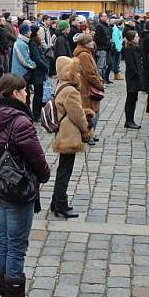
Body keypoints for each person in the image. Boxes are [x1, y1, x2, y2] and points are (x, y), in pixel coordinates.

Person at [0, 74, 51, 297]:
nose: (27, 93)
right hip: (16, 189)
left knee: (5, 241)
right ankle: (13, 292)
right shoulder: (20, 121)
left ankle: (4, 289)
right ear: (14, 93)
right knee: (17, 246)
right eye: (24, 90)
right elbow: (36, 158)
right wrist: (45, 175)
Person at [51, 56, 93, 219]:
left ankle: (56, 202)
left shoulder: (61, 85)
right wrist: (86, 129)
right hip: (69, 134)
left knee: (63, 169)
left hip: (63, 132)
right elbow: (78, 115)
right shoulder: (71, 91)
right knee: (65, 171)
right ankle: (61, 205)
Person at [73, 33, 103, 143]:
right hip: (87, 88)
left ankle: (91, 133)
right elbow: (90, 73)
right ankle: (88, 134)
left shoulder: (86, 52)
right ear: (85, 43)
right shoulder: (84, 55)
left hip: (86, 86)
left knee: (91, 111)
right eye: (90, 41)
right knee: (91, 112)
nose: (93, 43)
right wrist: (99, 84)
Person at [121, 30, 144, 130]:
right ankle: (129, 120)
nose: (138, 38)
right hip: (132, 78)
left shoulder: (134, 48)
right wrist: (138, 75)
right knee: (131, 99)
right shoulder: (129, 49)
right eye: (136, 37)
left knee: (133, 98)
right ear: (132, 38)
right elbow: (131, 65)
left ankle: (130, 120)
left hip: (135, 76)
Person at [27, 26, 50, 122]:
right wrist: (45, 66)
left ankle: (39, 112)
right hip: (37, 72)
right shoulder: (32, 43)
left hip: (39, 71)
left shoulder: (35, 42)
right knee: (38, 94)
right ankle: (36, 114)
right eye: (38, 32)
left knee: (39, 93)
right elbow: (37, 58)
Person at [94, 13, 112, 83]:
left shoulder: (105, 25)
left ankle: (104, 80)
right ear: (100, 17)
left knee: (105, 66)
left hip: (106, 48)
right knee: (100, 66)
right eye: (104, 16)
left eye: (106, 16)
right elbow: (99, 38)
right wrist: (107, 42)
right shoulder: (99, 26)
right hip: (101, 48)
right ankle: (99, 81)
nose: (106, 17)